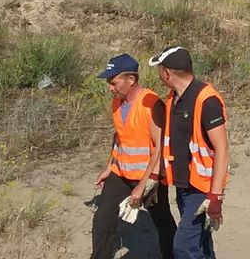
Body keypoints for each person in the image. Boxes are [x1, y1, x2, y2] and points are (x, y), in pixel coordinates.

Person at [92, 54, 176, 259]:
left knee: (162, 220)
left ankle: (174, 255)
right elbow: (120, 136)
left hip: (148, 177)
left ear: (131, 80)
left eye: (113, 82)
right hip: (120, 172)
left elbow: (160, 147)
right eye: (108, 83)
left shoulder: (152, 103)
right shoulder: (117, 102)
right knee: (103, 219)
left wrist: (143, 184)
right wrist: (109, 166)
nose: (110, 88)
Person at [150, 47, 229, 259]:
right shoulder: (173, 99)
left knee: (183, 246)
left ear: (167, 73)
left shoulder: (207, 100)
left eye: (159, 70)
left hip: (203, 189)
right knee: (201, 243)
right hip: (184, 185)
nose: (159, 75)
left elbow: (222, 148)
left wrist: (215, 196)